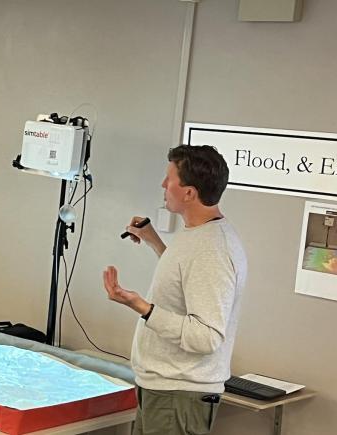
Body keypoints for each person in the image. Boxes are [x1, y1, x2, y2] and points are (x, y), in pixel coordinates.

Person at [102, 144, 247, 435]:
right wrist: (154, 241)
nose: (163, 185)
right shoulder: (197, 234)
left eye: (169, 179)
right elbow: (186, 280)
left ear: (189, 193)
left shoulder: (213, 249)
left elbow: (206, 336)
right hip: (164, 390)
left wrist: (141, 306)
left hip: (179, 395)